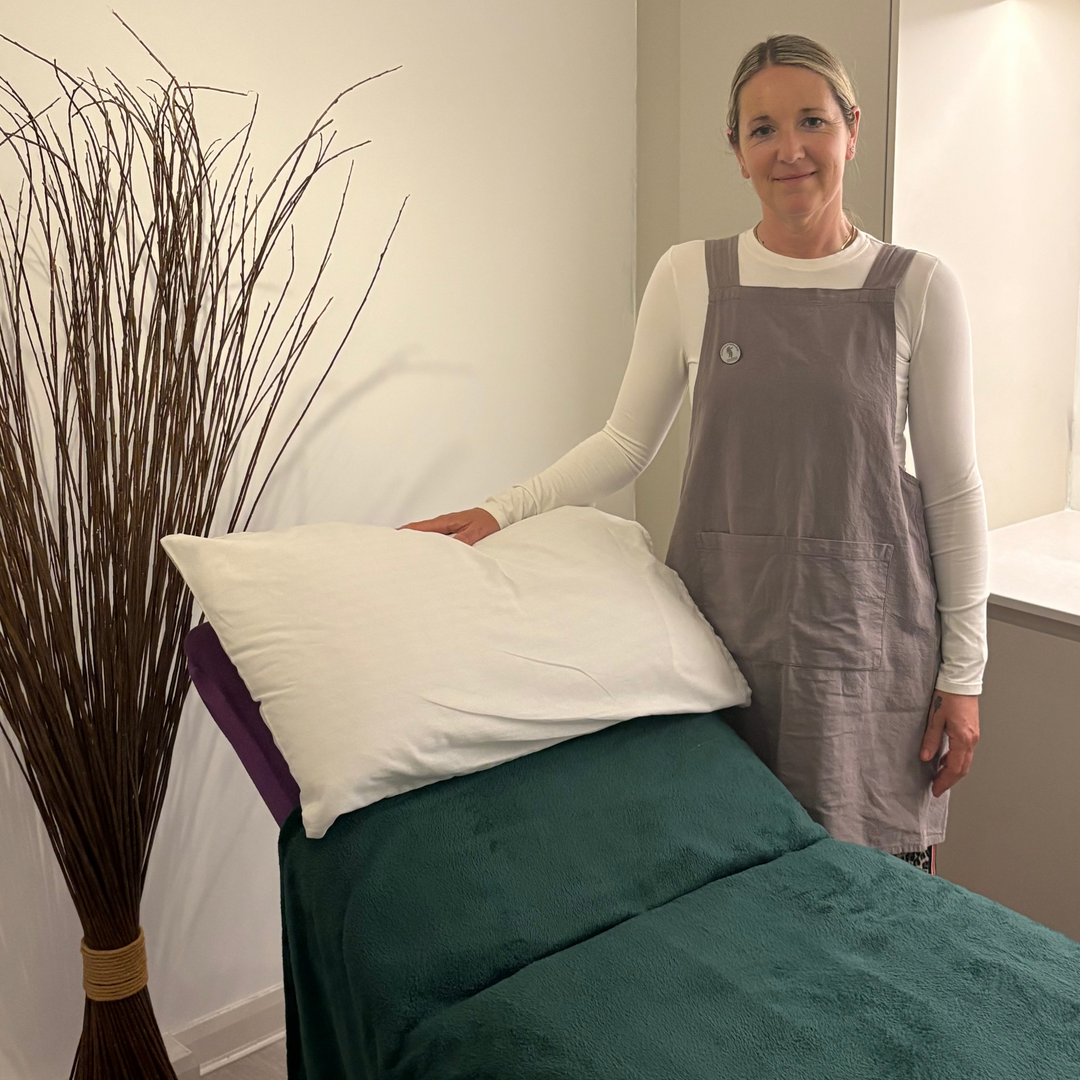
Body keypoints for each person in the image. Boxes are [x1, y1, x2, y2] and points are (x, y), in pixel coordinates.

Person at [402, 34, 988, 874]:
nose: (790, 149)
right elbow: (625, 443)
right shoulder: (691, 277)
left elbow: (955, 494)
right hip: (721, 641)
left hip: (866, 648)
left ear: (852, 131)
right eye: (762, 129)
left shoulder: (918, 287)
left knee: (871, 903)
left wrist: (963, 676)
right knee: (725, 894)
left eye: (812, 121)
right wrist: (504, 509)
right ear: (737, 151)